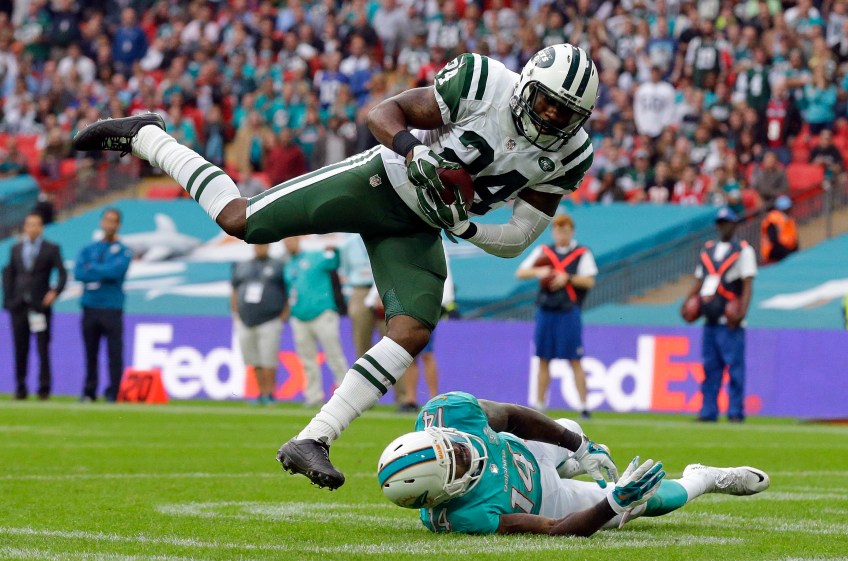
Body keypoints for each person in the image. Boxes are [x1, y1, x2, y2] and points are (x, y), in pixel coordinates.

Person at [73, 43, 600, 490]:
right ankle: (148, 137)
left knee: (413, 329)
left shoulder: (572, 155)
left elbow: (516, 240)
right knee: (241, 220)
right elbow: (382, 115)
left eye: (565, 113)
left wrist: (463, 228)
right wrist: (414, 151)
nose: (552, 118)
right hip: (384, 181)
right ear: (527, 84)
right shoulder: (484, 82)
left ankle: (312, 438)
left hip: (421, 226)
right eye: (547, 104)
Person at [378, 391, 770, 535]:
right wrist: (612, 504)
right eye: (459, 465)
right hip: (545, 499)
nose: (467, 453)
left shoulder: (448, 412)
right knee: (640, 500)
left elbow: (513, 415)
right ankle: (706, 477)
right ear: (444, 494)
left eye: (456, 448)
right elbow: (553, 528)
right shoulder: (465, 516)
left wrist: (579, 445)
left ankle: (571, 458)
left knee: (567, 426)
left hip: (523, 449)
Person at [515, 214, 597, 419]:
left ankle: (584, 405)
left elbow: (589, 281)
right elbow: (521, 272)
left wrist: (566, 278)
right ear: (553, 232)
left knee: (575, 359)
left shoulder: (581, 253)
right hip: (546, 310)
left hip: (568, 311)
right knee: (543, 358)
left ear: (572, 232)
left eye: (565, 230)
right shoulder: (544, 252)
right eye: (558, 230)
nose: (561, 234)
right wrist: (539, 272)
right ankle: (540, 404)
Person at [682, 208, 757, 423]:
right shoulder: (708, 250)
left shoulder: (743, 250)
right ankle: (708, 411)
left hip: (730, 320)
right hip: (710, 318)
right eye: (720, 222)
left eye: (727, 222)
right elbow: (699, 280)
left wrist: (742, 312)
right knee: (710, 369)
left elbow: (747, 283)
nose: (723, 226)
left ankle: (735, 411)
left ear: (735, 225)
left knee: (734, 369)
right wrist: (687, 301)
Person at [2, 212, 67, 400]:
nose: (33, 228)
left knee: (42, 348)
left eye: (37, 224)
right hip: (19, 306)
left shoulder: (51, 249)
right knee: (20, 348)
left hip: (40, 307)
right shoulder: (16, 248)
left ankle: (44, 388)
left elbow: (62, 274)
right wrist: (9, 300)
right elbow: (9, 275)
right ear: (25, 226)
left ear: (42, 227)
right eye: (30, 224)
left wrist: (54, 292)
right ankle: (20, 388)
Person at [283, 236, 349, 407]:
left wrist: (333, 251)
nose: (288, 243)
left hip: (322, 312)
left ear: (298, 240)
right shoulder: (289, 266)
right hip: (299, 317)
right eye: (286, 241)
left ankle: (345, 395)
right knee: (307, 360)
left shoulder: (315, 256)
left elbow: (333, 262)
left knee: (334, 355)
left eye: (291, 240)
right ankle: (313, 396)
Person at [74, 208, 133, 402]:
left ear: (119, 226)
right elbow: (79, 273)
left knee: (114, 354)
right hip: (90, 307)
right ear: (101, 222)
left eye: (113, 221)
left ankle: (113, 393)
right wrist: (101, 271)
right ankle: (89, 392)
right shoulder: (88, 249)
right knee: (90, 353)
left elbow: (115, 272)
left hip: (112, 307)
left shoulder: (123, 251)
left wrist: (93, 269)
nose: (109, 224)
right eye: (106, 220)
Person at [398, 252, 456, 413]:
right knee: (410, 354)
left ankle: (433, 399)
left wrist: (442, 300)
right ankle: (411, 399)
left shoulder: (434, 244)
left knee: (426, 354)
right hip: (410, 301)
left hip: (428, 302)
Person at [231, 243, 289, 405]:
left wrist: (285, 312)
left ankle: (270, 393)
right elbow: (235, 289)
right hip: (245, 319)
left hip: (270, 318)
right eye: (257, 246)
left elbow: (288, 288)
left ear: (268, 247)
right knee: (253, 359)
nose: (260, 248)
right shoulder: (243, 266)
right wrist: (235, 311)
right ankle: (261, 393)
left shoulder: (278, 266)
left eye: (263, 245)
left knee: (268, 359)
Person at [760, 195, 799, 265]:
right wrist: (787, 252)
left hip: (788, 248)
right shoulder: (772, 220)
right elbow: (774, 240)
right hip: (773, 252)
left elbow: (792, 237)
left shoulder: (788, 219)